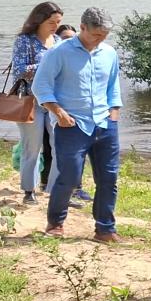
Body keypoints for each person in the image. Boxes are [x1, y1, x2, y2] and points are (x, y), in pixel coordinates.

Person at [32, 7, 123, 242]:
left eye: (104, 36)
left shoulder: (109, 53)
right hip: (71, 125)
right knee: (70, 177)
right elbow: (41, 86)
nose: (100, 40)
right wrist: (58, 112)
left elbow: (113, 86)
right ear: (82, 28)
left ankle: (105, 229)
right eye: (96, 35)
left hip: (105, 124)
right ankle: (55, 223)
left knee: (109, 177)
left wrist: (114, 113)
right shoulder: (58, 53)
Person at [11, 1, 62, 204]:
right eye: (52, 22)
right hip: (30, 101)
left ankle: (53, 189)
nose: (55, 26)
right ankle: (29, 191)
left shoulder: (58, 41)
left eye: (58, 22)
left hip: (54, 100)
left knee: (59, 145)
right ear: (39, 20)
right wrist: (47, 63)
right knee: (32, 147)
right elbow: (19, 70)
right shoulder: (24, 41)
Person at [42, 23, 94, 206]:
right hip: (52, 110)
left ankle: (76, 188)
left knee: (76, 153)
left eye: (73, 37)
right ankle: (52, 188)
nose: (70, 41)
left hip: (74, 113)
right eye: (65, 38)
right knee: (53, 150)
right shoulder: (55, 55)